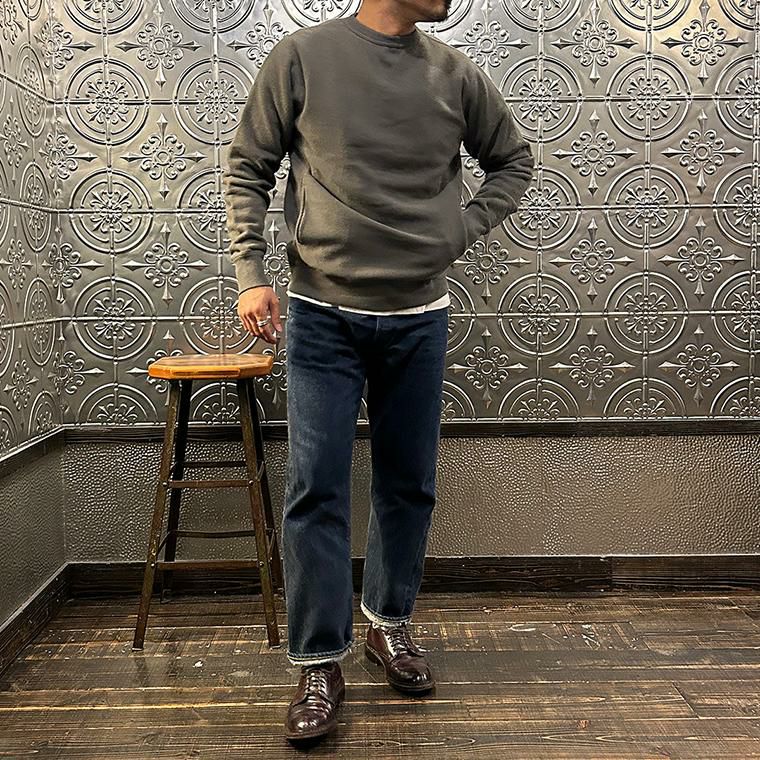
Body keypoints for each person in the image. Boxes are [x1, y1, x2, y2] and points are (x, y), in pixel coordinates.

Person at [223, 0, 534, 744]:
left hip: (419, 317)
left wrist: (458, 229)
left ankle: (388, 623)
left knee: (409, 482)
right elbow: (248, 166)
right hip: (322, 313)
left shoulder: (455, 74)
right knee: (316, 489)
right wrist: (249, 273)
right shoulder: (303, 57)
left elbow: (515, 161)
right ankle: (317, 661)